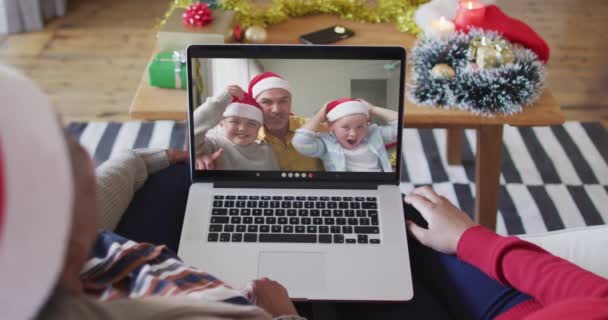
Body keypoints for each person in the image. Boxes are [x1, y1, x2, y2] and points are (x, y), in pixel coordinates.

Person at [0, 64, 303, 320]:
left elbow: (110, 177)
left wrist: (142, 159)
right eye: (64, 148)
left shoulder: (54, 256)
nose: (86, 154)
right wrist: (284, 314)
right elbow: (195, 133)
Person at [292, 98, 398, 172]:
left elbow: (403, 128)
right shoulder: (327, 144)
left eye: (360, 126)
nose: (353, 133)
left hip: (377, 184)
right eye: (345, 128)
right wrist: (320, 115)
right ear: (331, 126)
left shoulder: (373, 134)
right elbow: (300, 142)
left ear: (367, 124)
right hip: (342, 187)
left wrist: (373, 109)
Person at [192, 84, 279, 171]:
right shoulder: (213, 144)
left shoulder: (267, 151)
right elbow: (193, 129)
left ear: (259, 127)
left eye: (251, 124)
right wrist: (218, 103)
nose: (242, 128)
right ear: (221, 123)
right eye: (234, 121)